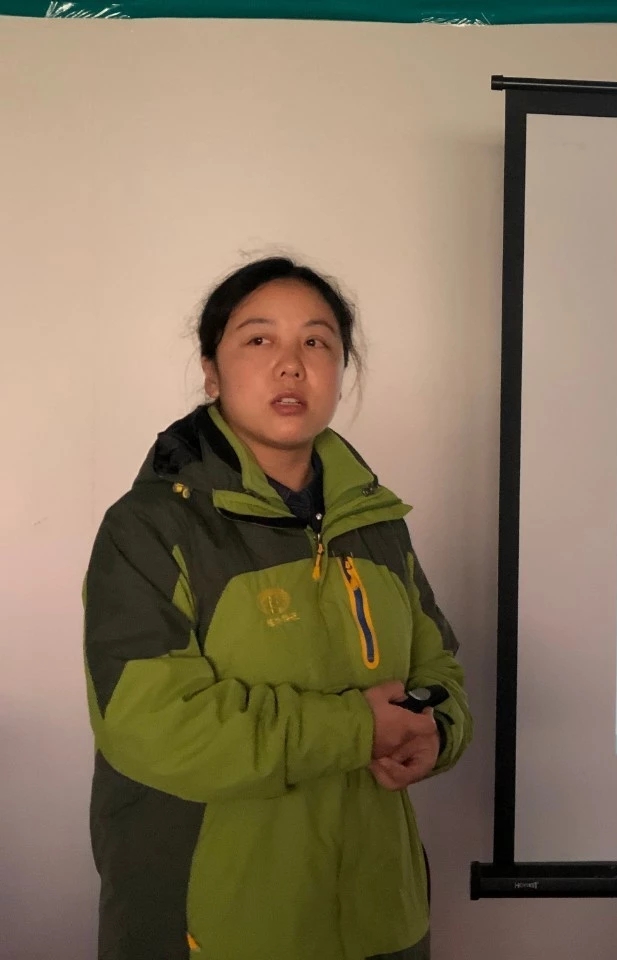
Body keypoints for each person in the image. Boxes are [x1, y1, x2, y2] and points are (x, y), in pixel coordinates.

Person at [82, 257, 472, 960]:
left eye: (317, 342)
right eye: (259, 339)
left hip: (380, 922)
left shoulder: (376, 522)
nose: (291, 365)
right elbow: (152, 726)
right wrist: (358, 728)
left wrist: (438, 731)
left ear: (341, 372)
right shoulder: (149, 529)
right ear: (211, 370)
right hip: (214, 930)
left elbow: (438, 668)